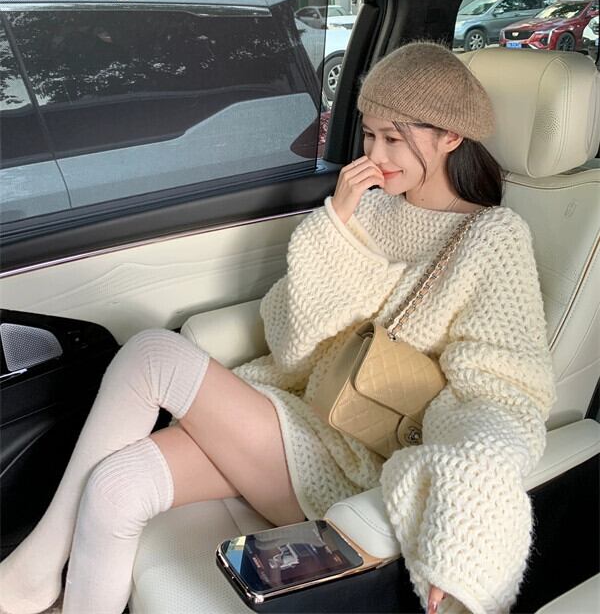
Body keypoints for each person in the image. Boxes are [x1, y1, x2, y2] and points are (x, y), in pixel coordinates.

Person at [0, 42, 556, 614]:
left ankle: (31, 575)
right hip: (297, 412)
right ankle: (48, 587)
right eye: (369, 135)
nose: (375, 154)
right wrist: (337, 221)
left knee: (152, 354)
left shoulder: (493, 239)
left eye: (394, 138)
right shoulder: (369, 206)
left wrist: (467, 494)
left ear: (450, 137)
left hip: (361, 457)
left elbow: (502, 392)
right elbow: (291, 344)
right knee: (117, 486)